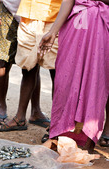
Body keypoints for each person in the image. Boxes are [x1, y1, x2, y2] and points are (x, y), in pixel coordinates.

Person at [38, 0, 109, 152]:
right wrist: (53, 31)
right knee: (65, 78)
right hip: (76, 24)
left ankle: (89, 140)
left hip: (103, 24)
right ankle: (58, 133)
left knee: (96, 81)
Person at [0, 0, 61, 132]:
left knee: (56, 72)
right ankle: (20, 118)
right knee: (28, 68)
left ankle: (56, 124)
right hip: (28, 17)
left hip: (54, 17)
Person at [0, 0, 41, 126]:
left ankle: (35, 110)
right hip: (8, 11)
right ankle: (2, 106)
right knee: (4, 61)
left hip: (34, 14)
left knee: (32, 65)